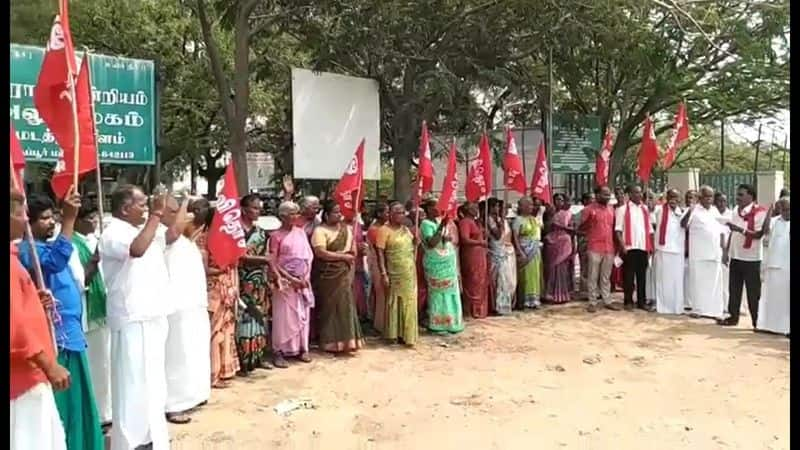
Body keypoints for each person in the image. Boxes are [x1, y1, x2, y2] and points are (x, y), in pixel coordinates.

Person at [18, 190, 104, 450]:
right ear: (28, 223)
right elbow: (53, 263)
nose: (51, 222)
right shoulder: (26, 250)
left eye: (53, 216)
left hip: (71, 334)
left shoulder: (50, 246)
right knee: (66, 405)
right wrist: (69, 220)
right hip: (57, 340)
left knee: (80, 404)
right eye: (44, 218)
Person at [100, 186, 178, 450]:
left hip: (152, 316)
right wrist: (155, 215)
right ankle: (130, 442)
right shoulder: (112, 233)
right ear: (125, 208)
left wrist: (175, 206)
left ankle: (150, 437)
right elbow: (137, 250)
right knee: (131, 385)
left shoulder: (142, 229)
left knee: (153, 384)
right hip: (131, 319)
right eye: (142, 204)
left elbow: (171, 236)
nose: (146, 209)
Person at [11, 188, 70, 450]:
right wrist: (48, 364)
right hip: (25, 379)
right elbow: (15, 327)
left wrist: (34, 299)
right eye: (18, 212)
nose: (24, 219)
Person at [162, 195, 210, 424]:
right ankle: (174, 404)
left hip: (194, 306)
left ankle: (194, 395)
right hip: (176, 308)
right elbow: (175, 230)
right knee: (177, 356)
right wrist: (184, 203)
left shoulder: (188, 241)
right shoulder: (164, 237)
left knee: (194, 351)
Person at [193, 200, 240, 389]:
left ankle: (225, 369)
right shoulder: (201, 239)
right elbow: (202, 269)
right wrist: (222, 269)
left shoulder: (225, 240)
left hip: (226, 289)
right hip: (213, 291)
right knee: (214, 332)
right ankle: (213, 374)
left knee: (226, 329)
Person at [72, 206, 112, 426]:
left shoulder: (90, 239)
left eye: (95, 217)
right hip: (87, 314)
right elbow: (81, 279)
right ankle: (96, 413)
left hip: (101, 310)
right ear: (76, 221)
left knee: (105, 365)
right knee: (95, 366)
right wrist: (95, 259)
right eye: (89, 218)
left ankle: (106, 411)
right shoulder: (72, 245)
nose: (94, 222)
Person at [311, 201, 364, 353]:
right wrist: (342, 257)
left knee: (346, 305)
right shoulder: (320, 231)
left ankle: (349, 341)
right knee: (330, 307)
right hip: (328, 275)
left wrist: (351, 255)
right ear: (326, 215)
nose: (339, 215)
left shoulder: (347, 229)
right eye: (335, 212)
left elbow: (352, 250)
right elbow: (320, 252)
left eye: (339, 212)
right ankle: (330, 343)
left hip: (345, 272)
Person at [269, 201, 315, 367]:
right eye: (292, 214)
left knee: (302, 315)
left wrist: (304, 277)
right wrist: (290, 278)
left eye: (297, 213)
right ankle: (279, 351)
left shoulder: (301, 233)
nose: (296, 217)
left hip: (302, 281)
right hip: (285, 282)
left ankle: (302, 349)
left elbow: (308, 256)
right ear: (282, 216)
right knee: (284, 317)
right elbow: (273, 261)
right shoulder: (276, 236)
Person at [719, 184, 771, 328]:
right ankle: (733, 317)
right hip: (736, 255)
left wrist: (740, 229)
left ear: (751, 196)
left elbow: (759, 235)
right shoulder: (736, 210)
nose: (737, 197)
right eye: (737, 194)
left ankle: (757, 321)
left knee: (753, 292)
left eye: (741, 195)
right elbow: (731, 232)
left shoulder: (760, 212)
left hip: (752, 259)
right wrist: (726, 251)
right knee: (734, 290)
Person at [237, 194, 273, 373]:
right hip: (241, 280)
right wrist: (265, 260)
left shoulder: (261, 232)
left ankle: (258, 357)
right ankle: (243, 360)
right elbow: (238, 257)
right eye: (254, 208)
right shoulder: (234, 231)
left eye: (259, 208)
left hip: (259, 281)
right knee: (243, 319)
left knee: (260, 318)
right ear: (244, 209)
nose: (258, 211)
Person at [375, 202, 418, 346]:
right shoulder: (383, 230)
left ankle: (407, 334)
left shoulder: (406, 230)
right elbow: (380, 253)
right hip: (394, 272)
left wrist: (416, 242)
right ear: (390, 214)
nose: (401, 215)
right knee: (394, 301)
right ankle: (393, 333)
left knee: (409, 302)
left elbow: (411, 248)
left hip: (408, 271)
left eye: (402, 212)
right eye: (397, 212)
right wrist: (383, 273)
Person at [681, 186, 727, 320]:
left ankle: (714, 311)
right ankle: (698, 309)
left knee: (715, 283)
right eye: (706, 196)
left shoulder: (714, 211)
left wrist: (723, 250)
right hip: (698, 254)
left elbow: (722, 231)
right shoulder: (694, 210)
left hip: (714, 253)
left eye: (711, 196)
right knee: (698, 283)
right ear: (700, 197)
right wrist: (691, 209)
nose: (709, 199)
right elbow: (683, 225)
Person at [419, 200, 464, 333]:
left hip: (447, 262)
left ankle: (452, 322)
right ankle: (438, 323)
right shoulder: (425, 224)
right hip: (435, 263)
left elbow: (445, 239)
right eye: (435, 206)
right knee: (438, 292)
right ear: (428, 209)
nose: (439, 208)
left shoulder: (439, 221)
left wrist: (447, 236)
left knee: (450, 291)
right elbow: (432, 243)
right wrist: (442, 226)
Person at [579, 186, 620, 313]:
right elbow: (581, 229)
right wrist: (588, 221)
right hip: (594, 247)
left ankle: (607, 300)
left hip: (609, 247)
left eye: (608, 195)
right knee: (593, 275)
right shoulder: (588, 210)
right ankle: (592, 301)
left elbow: (615, 229)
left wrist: (617, 246)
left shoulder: (612, 209)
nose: (607, 197)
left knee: (606, 276)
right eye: (604, 194)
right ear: (597, 195)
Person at [614, 185, 653, 311]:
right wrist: (622, 246)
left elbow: (650, 230)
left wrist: (650, 247)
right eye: (636, 192)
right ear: (629, 194)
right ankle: (628, 301)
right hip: (629, 248)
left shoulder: (645, 209)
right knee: (628, 277)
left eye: (640, 192)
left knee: (642, 277)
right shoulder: (622, 209)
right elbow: (618, 230)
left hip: (643, 247)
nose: (639, 195)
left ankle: (641, 302)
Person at [757, 197, 789, 335]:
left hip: (788, 267)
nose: (788, 212)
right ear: (779, 210)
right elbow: (764, 231)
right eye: (785, 209)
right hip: (774, 265)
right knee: (771, 298)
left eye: (789, 209)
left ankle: (785, 328)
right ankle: (769, 326)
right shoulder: (774, 221)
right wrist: (770, 213)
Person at [653, 189, 685, 315]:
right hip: (663, 249)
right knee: (663, 280)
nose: (673, 200)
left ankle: (677, 307)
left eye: (676, 197)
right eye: (671, 197)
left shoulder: (682, 212)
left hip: (677, 250)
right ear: (667, 197)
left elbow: (684, 224)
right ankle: (663, 307)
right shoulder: (659, 210)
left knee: (676, 281)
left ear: (679, 199)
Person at [543, 193, 575, 304]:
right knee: (552, 269)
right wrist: (551, 221)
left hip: (564, 243)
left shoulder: (567, 214)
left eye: (561, 200)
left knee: (562, 269)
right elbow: (545, 229)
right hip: (552, 244)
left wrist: (561, 227)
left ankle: (562, 295)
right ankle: (550, 294)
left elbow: (572, 229)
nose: (559, 202)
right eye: (556, 199)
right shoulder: (548, 214)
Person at [458, 201, 489, 318]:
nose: (476, 209)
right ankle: (471, 310)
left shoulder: (476, 222)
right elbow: (465, 239)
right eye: (474, 207)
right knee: (473, 279)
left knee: (481, 279)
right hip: (471, 254)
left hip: (480, 254)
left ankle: (480, 309)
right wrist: (480, 242)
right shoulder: (465, 222)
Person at [487, 198, 517, 315]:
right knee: (500, 279)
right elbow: (498, 235)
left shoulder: (500, 220)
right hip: (497, 251)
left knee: (510, 280)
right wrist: (501, 222)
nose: (497, 209)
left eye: (499, 207)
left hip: (507, 251)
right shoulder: (490, 220)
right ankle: (499, 306)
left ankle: (507, 303)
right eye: (495, 207)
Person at [512, 197, 543, 309]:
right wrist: (520, 251)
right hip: (525, 251)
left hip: (535, 250)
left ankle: (535, 299)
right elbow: (515, 237)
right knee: (525, 276)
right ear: (522, 206)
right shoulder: (518, 220)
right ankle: (525, 300)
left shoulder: (534, 219)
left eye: (532, 205)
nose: (531, 207)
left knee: (535, 275)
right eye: (529, 205)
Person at [366, 203, 389, 332]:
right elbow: (381, 250)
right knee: (381, 294)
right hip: (379, 264)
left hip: (387, 263)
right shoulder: (375, 230)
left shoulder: (384, 228)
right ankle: (381, 324)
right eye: (386, 212)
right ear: (379, 214)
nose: (388, 214)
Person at [573, 192, 595, 299]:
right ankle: (585, 291)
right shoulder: (579, 215)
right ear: (585, 201)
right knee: (585, 268)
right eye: (591, 199)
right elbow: (575, 230)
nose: (593, 201)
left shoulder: (597, 212)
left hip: (596, 244)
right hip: (584, 244)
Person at [714, 192, 733, 315]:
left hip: (727, 251)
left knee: (726, 281)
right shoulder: (712, 214)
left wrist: (726, 251)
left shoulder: (731, 215)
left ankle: (727, 306)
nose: (721, 204)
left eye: (723, 201)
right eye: (719, 201)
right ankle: (717, 305)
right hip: (713, 251)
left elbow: (731, 233)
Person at [683, 189, 698, 311]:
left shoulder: (700, 212)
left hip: (697, 250)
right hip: (685, 248)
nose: (689, 200)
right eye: (687, 197)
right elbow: (683, 225)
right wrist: (689, 212)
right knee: (686, 277)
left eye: (692, 198)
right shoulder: (683, 211)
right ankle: (686, 302)